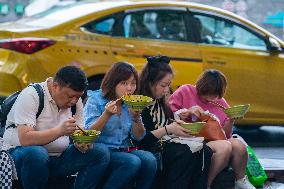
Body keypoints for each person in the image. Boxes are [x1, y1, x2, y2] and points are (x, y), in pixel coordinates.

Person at [2, 66, 110, 189]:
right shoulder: (32, 95)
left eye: (78, 96)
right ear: (55, 86)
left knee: (100, 152)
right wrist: (60, 131)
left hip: (58, 157)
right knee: (37, 153)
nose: (74, 101)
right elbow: (25, 139)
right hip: (20, 156)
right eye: (70, 96)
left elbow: (79, 133)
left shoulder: (76, 101)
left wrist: (82, 143)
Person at [169, 69, 256, 189]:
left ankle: (240, 180)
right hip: (189, 137)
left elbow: (225, 135)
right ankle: (205, 185)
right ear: (201, 87)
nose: (211, 99)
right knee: (225, 147)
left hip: (213, 139)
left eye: (215, 95)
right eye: (208, 94)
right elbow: (169, 112)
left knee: (239, 146)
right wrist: (186, 113)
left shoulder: (221, 103)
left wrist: (231, 120)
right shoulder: (186, 91)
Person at [137, 55, 213, 189]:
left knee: (205, 150)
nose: (167, 90)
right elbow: (143, 140)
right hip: (153, 147)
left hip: (168, 141)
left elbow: (168, 121)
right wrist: (169, 129)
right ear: (149, 82)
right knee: (184, 152)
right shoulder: (140, 104)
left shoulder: (160, 98)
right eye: (163, 85)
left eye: (169, 85)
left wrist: (181, 118)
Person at [84, 62, 157, 189]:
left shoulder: (130, 102)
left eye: (133, 83)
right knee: (131, 162)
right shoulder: (96, 100)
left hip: (123, 149)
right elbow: (88, 134)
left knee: (149, 159)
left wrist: (136, 118)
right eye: (124, 83)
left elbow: (139, 137)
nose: (129, 88)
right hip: (101, 151)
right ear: (113, 83)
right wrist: (106, 115)